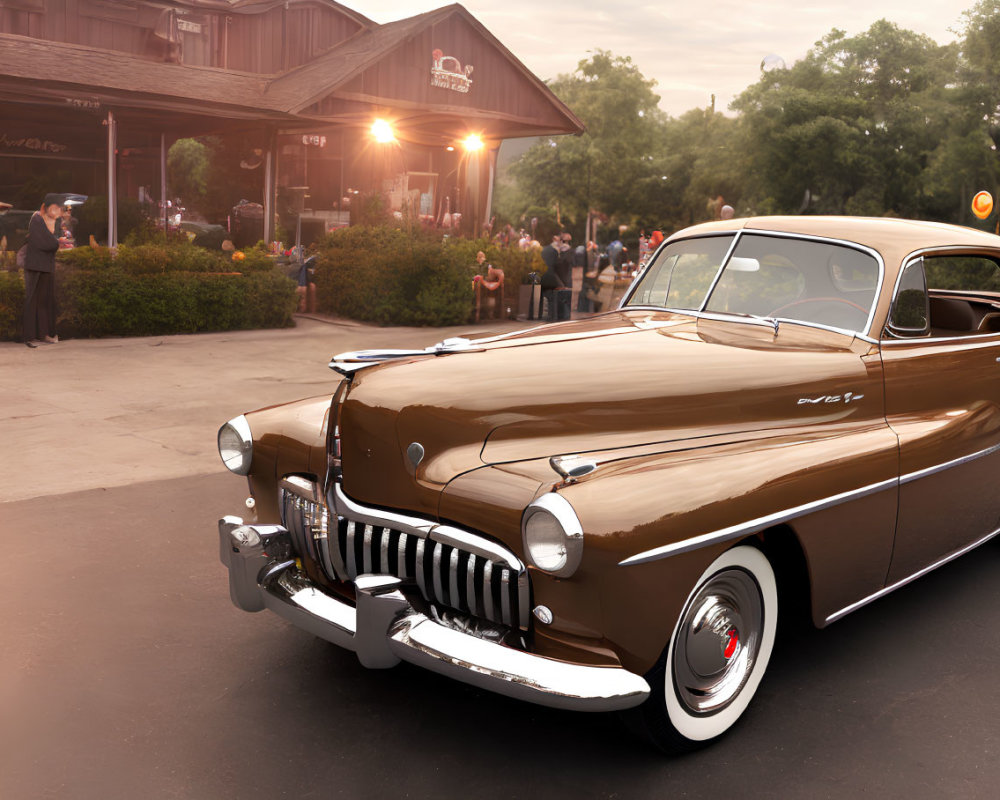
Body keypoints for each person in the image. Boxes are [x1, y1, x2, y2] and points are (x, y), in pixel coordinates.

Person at [22, 193, 63, 348]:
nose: (58, 210)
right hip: (35, 267)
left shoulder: (51, 223)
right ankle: (30, 336)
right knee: (32, 300)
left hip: (46, 267)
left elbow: (53, 242)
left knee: (44, 302)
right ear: (47, 207)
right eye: (56, 207)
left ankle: (44, 334)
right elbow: (49, 244)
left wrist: (54, 239)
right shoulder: (36, 219)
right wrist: (54, 241)